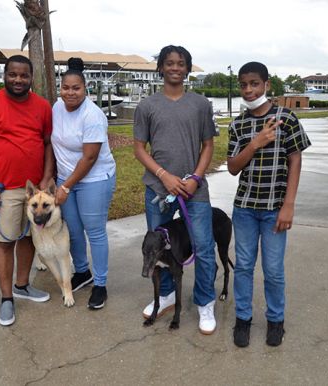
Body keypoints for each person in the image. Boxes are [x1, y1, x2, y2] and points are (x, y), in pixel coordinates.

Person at [133, 45, 218, 335]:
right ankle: (166, 294)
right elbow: (138, 149)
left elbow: (208, 145)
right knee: (158, 249)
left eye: (181, 64)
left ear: (187, 68)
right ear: (161, 68)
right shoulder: (147, 106)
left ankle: (205, 300)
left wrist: (195, 176)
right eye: (169, 63)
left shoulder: (201, 104)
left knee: (204, 247)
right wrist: (163, 175)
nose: (175, 68)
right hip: (159, 190)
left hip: (194, 190)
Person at [227, 62, 311, 347]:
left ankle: (276, 320)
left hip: (275, 208)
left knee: (273, 270)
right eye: (243, 84)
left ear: (267, 84)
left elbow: (295, 159)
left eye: (254, 83)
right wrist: (255, 143)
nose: (249, 90)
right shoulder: (238, 124)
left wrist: (289, 204)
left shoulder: (285, 118)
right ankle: (243, 319)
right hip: (245, 209)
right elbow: (232, 167)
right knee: (244, 267)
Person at [0, 55, 55, 326]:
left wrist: (46, 178)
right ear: (4, 75)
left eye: (24, 75)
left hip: (36, 191)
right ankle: (7, 298)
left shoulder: (42, 107)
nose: (18, 80)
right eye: (13, 74)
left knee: (29, 239)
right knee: (5, 242)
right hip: (4, 189)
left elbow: (46, 144)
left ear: (31, 77)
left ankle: (22, 285)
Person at [52, 58, 116, 310]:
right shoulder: (56, 107)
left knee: (94, 231)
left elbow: (89, 157)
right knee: (74, 231)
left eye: (76, 88)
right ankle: (82, 272)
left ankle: (100, 284)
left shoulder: (93, 115)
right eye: (65, 87)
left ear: (85, 88)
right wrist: (58, 179)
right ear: (60, 88)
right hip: (65, 179)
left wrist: (65, 186)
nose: (70, 92)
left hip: (94, 179)